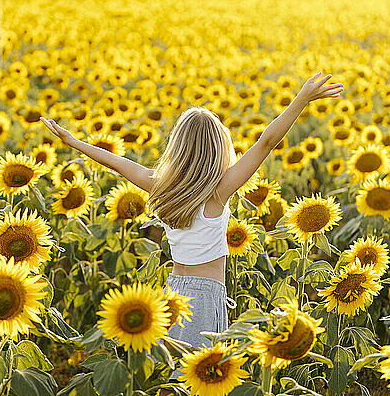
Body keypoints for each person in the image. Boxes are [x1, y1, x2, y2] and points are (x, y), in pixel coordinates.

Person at [40, 72, 343, 393]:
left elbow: (118, 164)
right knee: (200, 380)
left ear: (178, 148)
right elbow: (266, 142)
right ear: (218, 148)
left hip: (172, 293)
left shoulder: (163, 187)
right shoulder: (218, 192)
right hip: (204, 295)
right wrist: (301, 100)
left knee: (171, 377)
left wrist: (74, 143)